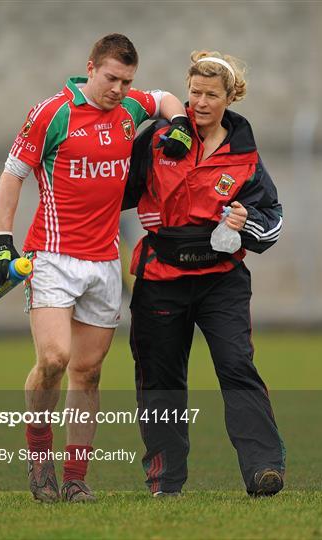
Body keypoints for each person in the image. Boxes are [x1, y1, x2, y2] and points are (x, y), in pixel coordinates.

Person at [0, 33, 192, 503]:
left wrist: (178, 121)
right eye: (111, 78)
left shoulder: (130, 110)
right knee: (54, 359)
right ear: (90, 68)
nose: (119, 88)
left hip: (104, 262)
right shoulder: (52, 112)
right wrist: (3, 243)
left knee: (89, 372)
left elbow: (161, 98)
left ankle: (76, 477)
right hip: (52, 258)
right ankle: (39, 460)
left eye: (126, 80)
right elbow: (12, 175)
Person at [124, 49, 286, 498]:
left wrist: (244, 220)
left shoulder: (245, 155)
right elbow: (115, 191)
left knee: (237, 366)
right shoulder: (158, 139)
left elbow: (271, 219)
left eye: (211, 94)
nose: (199, 102)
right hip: (160, 278)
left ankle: (264, 470)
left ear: (230, 98)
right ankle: (165, 482)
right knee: (160, 378)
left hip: (222, 281)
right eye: (194, 92)